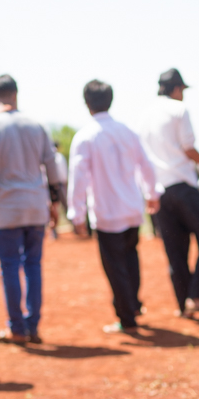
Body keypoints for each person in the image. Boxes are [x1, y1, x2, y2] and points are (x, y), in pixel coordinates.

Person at [68, 80, 158, 335]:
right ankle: (134, 305)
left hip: (107, 213)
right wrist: (152, 193)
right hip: (131, 208)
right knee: (131, 260)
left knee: (115, 266)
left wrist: (77, 213)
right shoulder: (127, 132)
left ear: (87, 104)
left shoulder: (85, 136)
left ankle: (127, 317)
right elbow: (146, 164)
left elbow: (78, 177)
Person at [0, 74, 64, 345]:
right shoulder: (37, 125)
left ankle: (16, 328)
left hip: (6, 208)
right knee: (33, 266)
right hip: (35, 205)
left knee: (9, 267)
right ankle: (33, 326)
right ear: (16, 94)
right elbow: (52, 168)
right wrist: (55, 204)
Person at [140, 68, 199, 317]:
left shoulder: (144, 115)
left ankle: (183, 303)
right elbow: (188, 148)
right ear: (176, 89)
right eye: (182, 90)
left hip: (159, 190)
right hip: (182, 186)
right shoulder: (178, 109)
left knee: (175, 250)